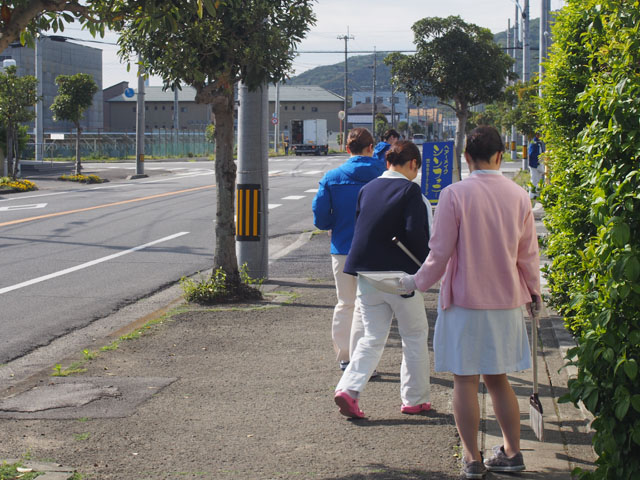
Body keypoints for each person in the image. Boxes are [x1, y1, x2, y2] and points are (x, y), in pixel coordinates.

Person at [400, 126, 541, 479]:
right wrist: (534, 294)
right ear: (500, 155)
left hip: (465, 301)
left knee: (465, 381)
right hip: (507, 301)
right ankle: (513, 452)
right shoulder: (519, 195)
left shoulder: (454, 194)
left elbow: (440, 253)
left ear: (466, 157)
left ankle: (472, 459)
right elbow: (528, 256)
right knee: (499, 380)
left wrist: (416, 282)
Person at [334, 140, 431, 419]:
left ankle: (348, 389)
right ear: (413, 164)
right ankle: (414, 399)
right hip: (400, 276)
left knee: (371, 337)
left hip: (366, 274)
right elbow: (417, 234)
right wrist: (426, 267)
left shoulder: (368, 189)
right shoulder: (410, 190)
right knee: (413, 336)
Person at [312, 128, 386, 372]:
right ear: (371, 148)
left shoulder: (332, 177)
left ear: (347, 149)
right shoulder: (384, 176)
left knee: (345, 303)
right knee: (371, 307)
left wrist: (337, 224)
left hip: (343, 248)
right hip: (377, 249)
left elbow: (321, 218)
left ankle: (345, 357)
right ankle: (365, 361)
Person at [527, 132, 545, 200]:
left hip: (537, 164)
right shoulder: (534, 143)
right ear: (537, 135)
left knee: (537, 179)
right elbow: (531, 154)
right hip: (534, 165)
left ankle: (536, 194)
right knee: (534, 179)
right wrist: (537, 161)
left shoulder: (538, 143)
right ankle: (532, 195)